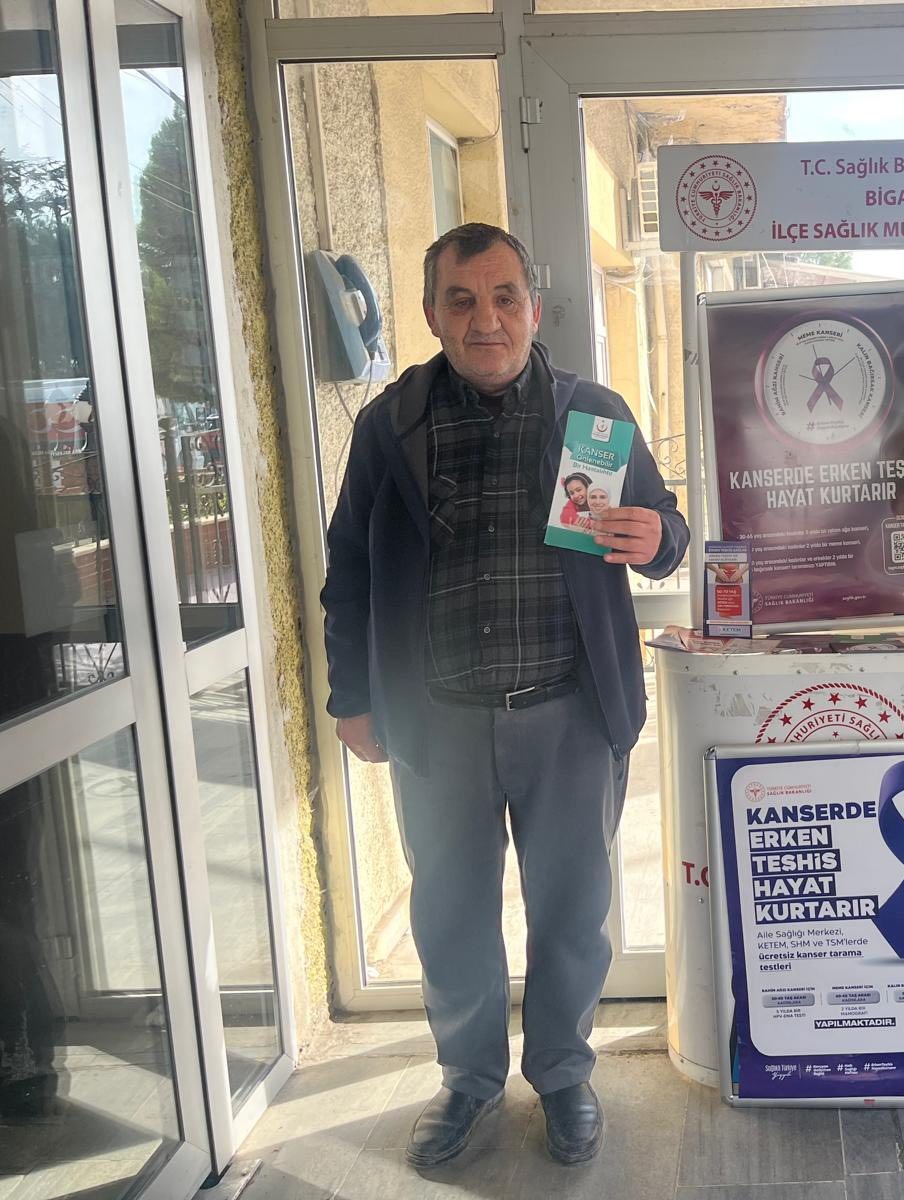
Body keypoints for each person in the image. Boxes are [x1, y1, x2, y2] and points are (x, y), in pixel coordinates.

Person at [321, 223, 689, 1172]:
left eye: (504, 298)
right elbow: (348, 567)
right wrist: (352, 697)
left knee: (571, 912)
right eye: (462, 300)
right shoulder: (391, 424)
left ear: (534, 305)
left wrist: (656, 538)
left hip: (568, 712)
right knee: (451, 915)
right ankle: (469, 1079)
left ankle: (563, 1074)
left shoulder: (594, 416)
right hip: (436, 719)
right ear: (431, 313)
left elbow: (669, 531)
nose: (485, 320)